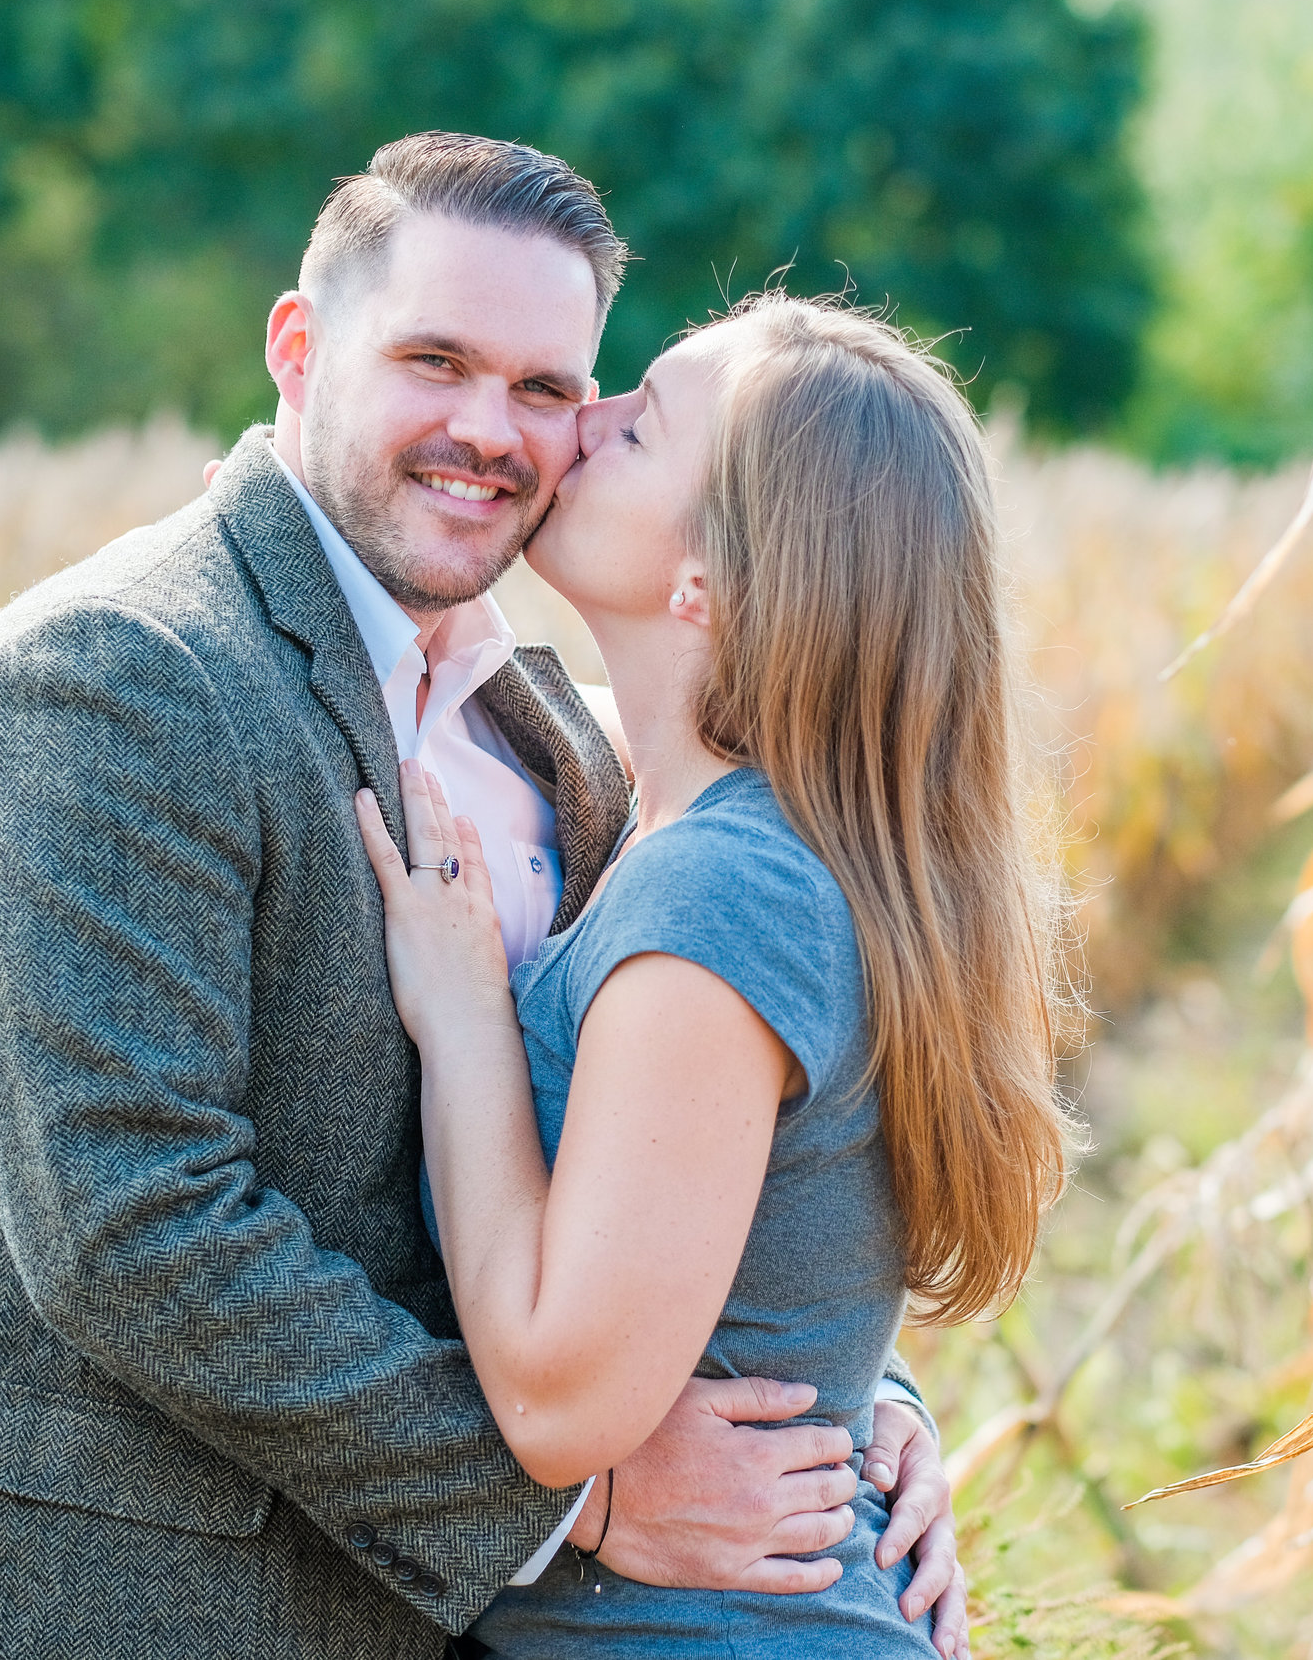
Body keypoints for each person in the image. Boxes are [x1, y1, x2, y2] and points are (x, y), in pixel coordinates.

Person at [0, 135, 965, 1660]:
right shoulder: (112, 684)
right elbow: (138, 1236)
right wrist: (587, 1500)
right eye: (435, 361)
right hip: (135, 1608)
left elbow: (672, 1143)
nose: (491, 432)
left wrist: (846, 1400)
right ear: (300, 347)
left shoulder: (550, 733)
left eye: (550, 390)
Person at [354, 292, 1078, 1657]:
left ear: (713, 579)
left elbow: (562, 1406)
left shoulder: (722, 893)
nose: (585, 416)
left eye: (640, 426)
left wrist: (463, 1029)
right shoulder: (723, 830)